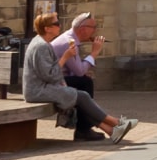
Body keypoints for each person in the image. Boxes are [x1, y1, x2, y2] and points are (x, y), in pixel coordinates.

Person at [23, 12, 137, 144]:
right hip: (38, 91)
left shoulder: (43, 43)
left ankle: (112, 131)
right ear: (47, 28)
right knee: (81, 95)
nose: (60, 26)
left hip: (44, 87)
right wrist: (66, 57)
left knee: (81, 93)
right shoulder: (41, 46)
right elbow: (50, 75)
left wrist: (63, 83)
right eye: (56, 24)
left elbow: (51, 74)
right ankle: (116, 123)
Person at [50, 12, 105, 141]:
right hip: (52, 83)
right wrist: (94, 52)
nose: (95, 31)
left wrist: (82, 70)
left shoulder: (71, 39)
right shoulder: (68, 42)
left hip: (58, 79)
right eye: (93, 27)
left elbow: (75, 69)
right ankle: (83, 130)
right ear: (83, 29)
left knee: (84, 80)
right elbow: (79, 71)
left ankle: (85, 128)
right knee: (85, 82)